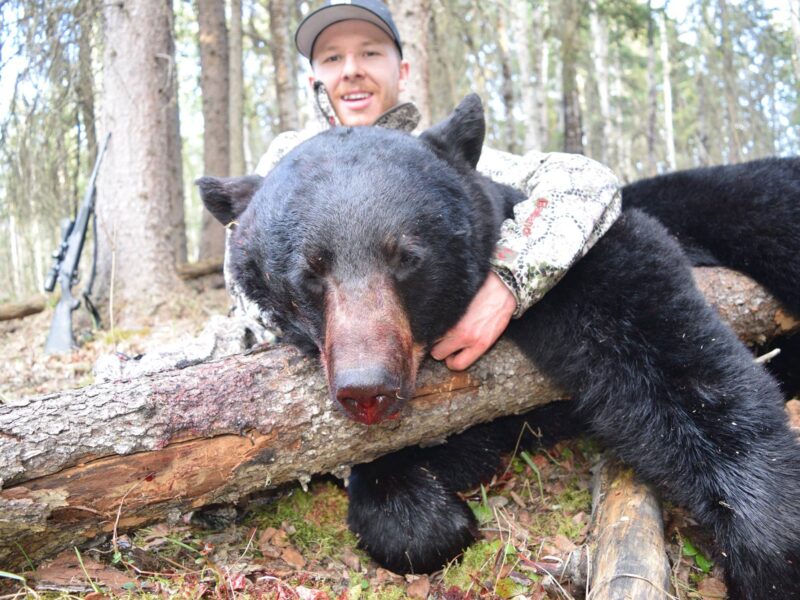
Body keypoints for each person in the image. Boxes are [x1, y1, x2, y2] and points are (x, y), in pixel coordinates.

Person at [229, 0, 621, 370]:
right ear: (315, 80)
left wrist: (509, 282)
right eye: (333, 57)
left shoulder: (436, 164)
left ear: (402, 72)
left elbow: (590, 182)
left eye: (369, 52)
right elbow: (246, 281)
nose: (351, 70)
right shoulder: (284, 166)